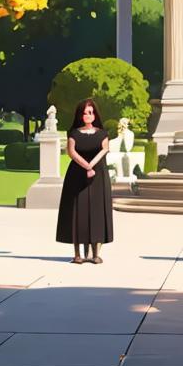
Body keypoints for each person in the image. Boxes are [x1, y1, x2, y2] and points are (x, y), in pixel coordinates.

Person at [55, 98, 114, 264]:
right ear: (80, 115)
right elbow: (72, 152)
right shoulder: (74, 133)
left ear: (95, 115)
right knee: (77, 212)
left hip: (98, 176)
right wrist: (86, 166)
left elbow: (104, 149)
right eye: (85, 113)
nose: (88, 115)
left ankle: (96, 253)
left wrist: (91, 165)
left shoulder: (102, 134)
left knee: (97, 212)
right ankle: (77, 254)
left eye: (91, 112)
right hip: (77, 176)